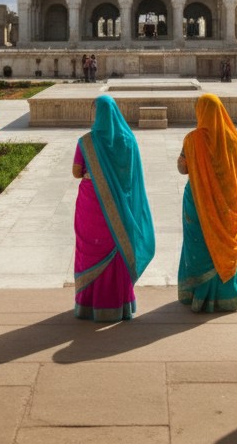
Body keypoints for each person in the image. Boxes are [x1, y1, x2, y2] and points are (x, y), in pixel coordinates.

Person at [72, 95, 155, 321]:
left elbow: (76, 172)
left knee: (90, 248)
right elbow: (132, 177)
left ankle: (89, 304)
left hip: (91, 204)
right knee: (118, 245)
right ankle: (120, 304)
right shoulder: (128, 140)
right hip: (121, 207)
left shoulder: (87, 142)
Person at [177, 94, 237, 312]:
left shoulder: (193, 140)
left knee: (199, 245)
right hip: (226, 207)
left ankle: (199, 296)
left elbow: (182, 168)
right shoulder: (234, 139)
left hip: (198, 202)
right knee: (221, 246)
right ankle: (226, 296)